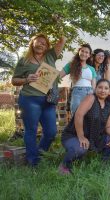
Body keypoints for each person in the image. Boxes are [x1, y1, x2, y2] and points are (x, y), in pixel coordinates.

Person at [11, 33, 66, 166]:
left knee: (51, 132)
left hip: (48, 100)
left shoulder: (50, 56)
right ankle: (33, 162)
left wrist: (58, 23)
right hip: (30, 100)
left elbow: (62, 39)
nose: (40, 44)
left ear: (47, 46)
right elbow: (14, 80)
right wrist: (26, 79)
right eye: (38, 42)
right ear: (32, 43)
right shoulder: (24, 61)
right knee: (31, 130)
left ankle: (40, 154)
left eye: (44, 43)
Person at [59, 79, 110, 174]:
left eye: (106, 88)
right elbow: (79, 115)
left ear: (109, 91)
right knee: (80, 149)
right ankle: (65, 166)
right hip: (74, 134)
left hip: (94, 137)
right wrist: (81, 136)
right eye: (100, 87)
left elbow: (108, 126)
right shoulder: (91, 98)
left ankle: (103, 163)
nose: (103, 90)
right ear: (95, 88)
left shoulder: (109, 105)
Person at [60, 44, 96, 115]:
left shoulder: (91, 69)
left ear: (89, 55)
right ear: (78, 52)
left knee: (89, 116)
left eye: (86, 52)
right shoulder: (71, 65)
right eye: (82, 51)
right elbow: (59, 76)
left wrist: (93, 94)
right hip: (77, 92)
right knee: (76, 115)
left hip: (90, 92)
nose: (84, 54)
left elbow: (94, 84)